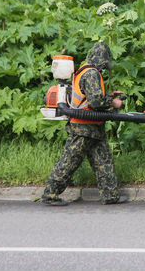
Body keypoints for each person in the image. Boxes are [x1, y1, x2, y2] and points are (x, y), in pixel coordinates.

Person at [41, 42, 127, 206]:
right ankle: (50, 194)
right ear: (103, 59)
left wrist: (108, 96)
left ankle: (110, 196)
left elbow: (91, 97)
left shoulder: (86, 71)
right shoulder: (91, 73)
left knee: (104, 161)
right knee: (69, 162)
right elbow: (95, 101)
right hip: (83, 127)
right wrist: (114, 102)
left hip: (93, 127)